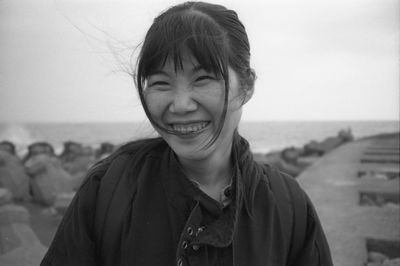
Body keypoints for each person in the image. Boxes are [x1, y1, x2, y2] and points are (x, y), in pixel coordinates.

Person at [41, 1, 333, 265]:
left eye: (203, 79)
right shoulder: (108, 188)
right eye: (161, 83)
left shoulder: (288, 206)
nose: (180, 105)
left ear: (247, 86)